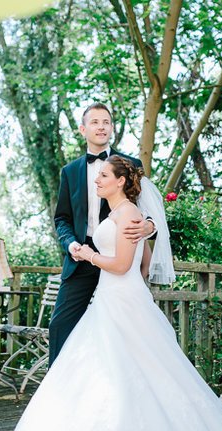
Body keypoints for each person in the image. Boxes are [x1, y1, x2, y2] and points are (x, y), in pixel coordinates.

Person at [0, 155, 222, 431]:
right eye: (98, 174)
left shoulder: (129, 212)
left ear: (120, 181)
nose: (97, 180)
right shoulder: (120, 211)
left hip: (119, 297)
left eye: (104, 175)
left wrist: (89, 255)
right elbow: (142, 264)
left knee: (135, 368)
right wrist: (130, 284)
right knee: (117, 368)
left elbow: (119, 265)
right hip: (117, 298)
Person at [51, 102, 155, 365]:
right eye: (95, 122)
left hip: (121, 254)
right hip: (81, 257)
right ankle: (59, 393)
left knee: (127, 331)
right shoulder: (70, 171)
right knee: (60, 325)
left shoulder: (131, 164)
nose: (101, 127)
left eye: (106, 122)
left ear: (112, 128)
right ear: (83, 130)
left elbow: (147, 209)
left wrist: (149, 225)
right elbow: (62, 218)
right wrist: (71, 244)